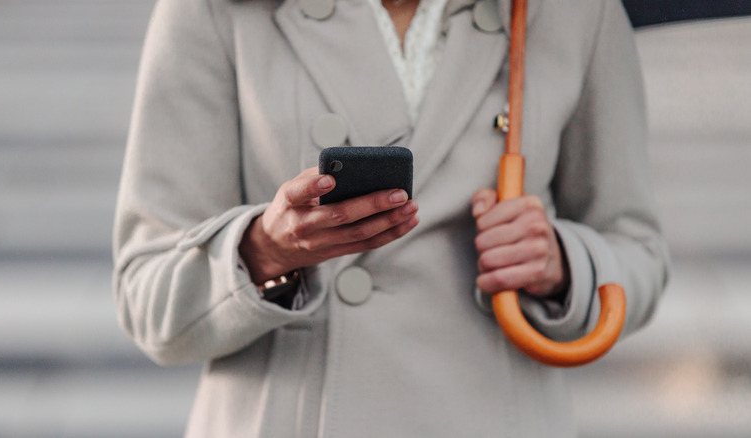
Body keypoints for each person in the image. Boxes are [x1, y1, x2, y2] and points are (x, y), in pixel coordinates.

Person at [112, 0, 669, 436]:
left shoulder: (572, 12)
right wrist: (263, 251)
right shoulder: (216, 9)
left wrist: (562, 262)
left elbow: (637, 250)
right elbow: (147, 296)